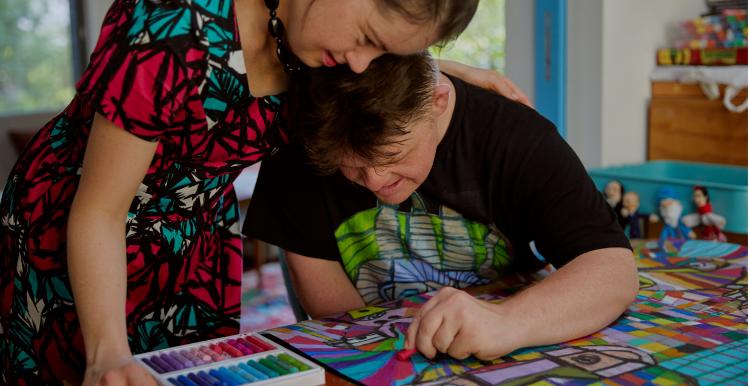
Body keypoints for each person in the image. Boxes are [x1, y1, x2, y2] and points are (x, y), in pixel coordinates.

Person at [0, 1, 530, 384]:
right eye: (369, 37)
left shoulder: (318, 42)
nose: (363, 63)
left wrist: (442, 71)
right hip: (77, 242)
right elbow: (98, 211)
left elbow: (374, 63)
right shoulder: (174, 28)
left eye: (387, 51)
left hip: (192, 240)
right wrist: (106, 354)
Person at [244, 53, 638, 361]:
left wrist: (509, 322)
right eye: (352, 167)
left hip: (506, 354)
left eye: (393, 155)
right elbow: (337, 319)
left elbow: (612, 269)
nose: (376, 181)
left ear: (438, 100)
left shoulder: (518, 138)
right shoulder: (301, 149)